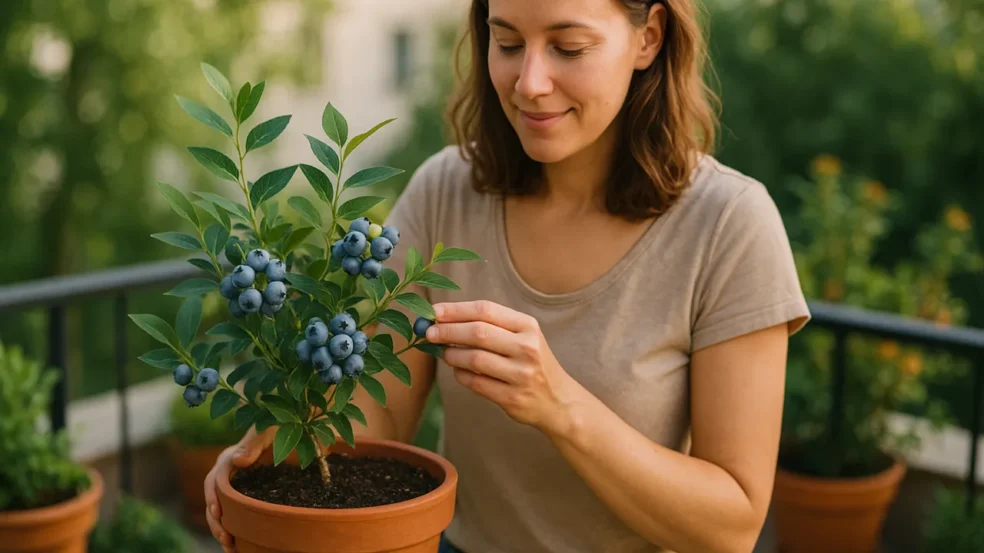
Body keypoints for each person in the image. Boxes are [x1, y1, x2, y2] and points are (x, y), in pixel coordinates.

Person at [204, 0, 811, 551]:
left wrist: (560, 405)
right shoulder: (447, 190)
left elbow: (732, 526)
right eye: (509, 42)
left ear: (648, 38)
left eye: (568, 48)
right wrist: (279, 449)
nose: (530, 83)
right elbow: (379, 417)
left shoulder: (729, 225)